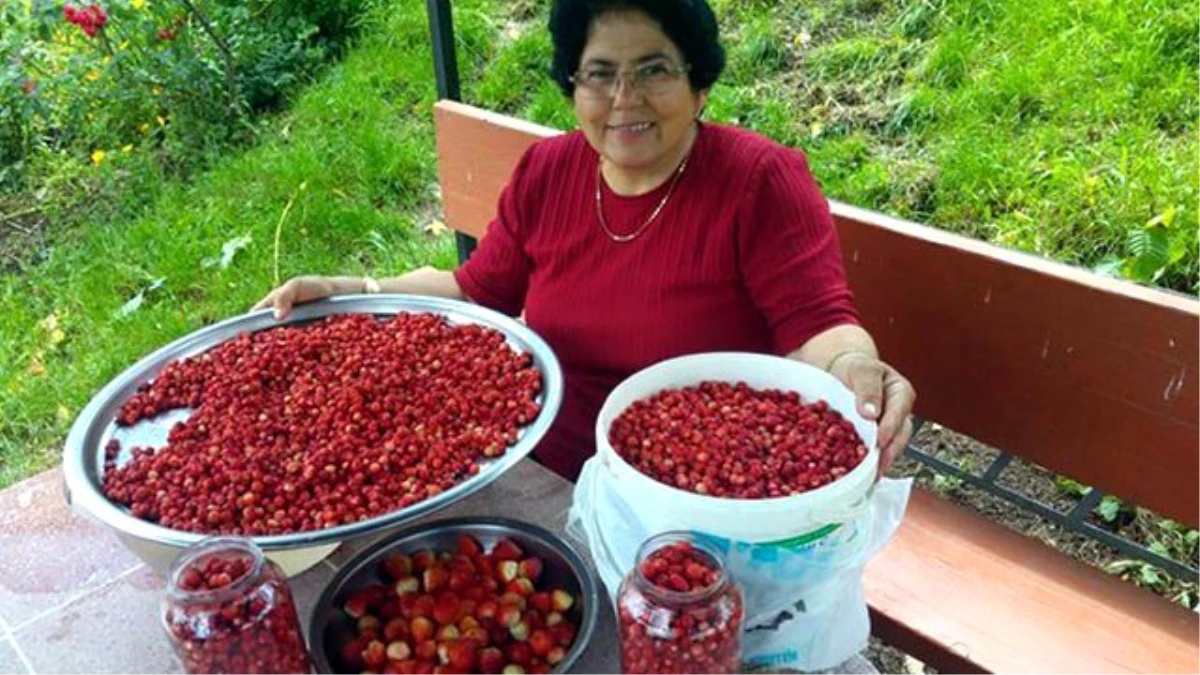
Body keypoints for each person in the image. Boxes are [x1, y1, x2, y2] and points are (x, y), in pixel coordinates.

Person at [253, 0, 915, 485]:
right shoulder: (549, 171)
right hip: (542, 463)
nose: (624, 98)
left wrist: (856, 369)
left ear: (699, 82)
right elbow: (473, 291)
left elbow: (820, 324)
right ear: (573, 87)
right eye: (599, 74)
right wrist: (352, 291)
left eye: (653, 69)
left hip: (702, 487)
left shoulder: (756, 180)